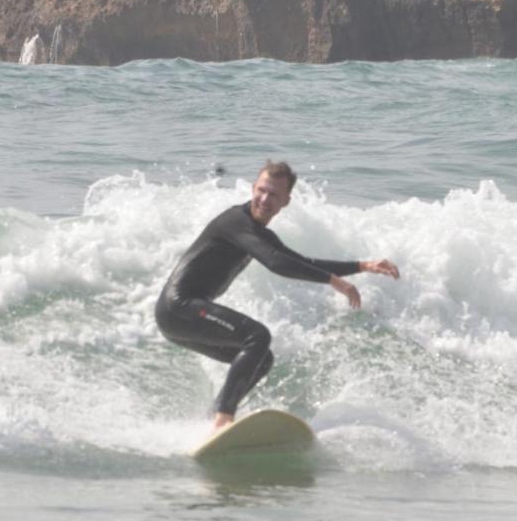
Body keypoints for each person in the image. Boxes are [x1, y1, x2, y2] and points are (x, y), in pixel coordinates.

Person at [155, 161, 399, 432]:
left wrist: (362, 266)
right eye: (261, 190)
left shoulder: (261, 234)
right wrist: (334, 282)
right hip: (179, 308)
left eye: (273, 195)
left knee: (262, 358)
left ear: (286, 200)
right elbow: (275, 263)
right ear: (253, 189)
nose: (264, 199)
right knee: (257, 337)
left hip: (184, 315)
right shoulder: (236, 222)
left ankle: (211, 419)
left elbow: (302, 261)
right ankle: (224, 418)